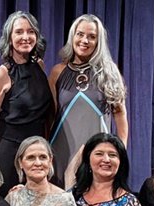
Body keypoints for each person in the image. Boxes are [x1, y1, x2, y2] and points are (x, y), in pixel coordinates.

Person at [0, 12, 53, 196]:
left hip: (36, 152)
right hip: (9, 152)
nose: (26, 37)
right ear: (9, 38)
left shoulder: (39, 66)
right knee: (6, 204)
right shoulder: (2, 74)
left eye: (30, 31)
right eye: (19, 32)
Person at [48, 14, 128, 189]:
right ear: (72, 36)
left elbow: (120, 115)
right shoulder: (57, 72)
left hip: (97, 154)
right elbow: (50, 116)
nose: (85, 40)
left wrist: (119, 152)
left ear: (98, 42)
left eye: (91, 36)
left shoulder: (109, 72)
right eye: (80, 34)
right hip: (60, 151)